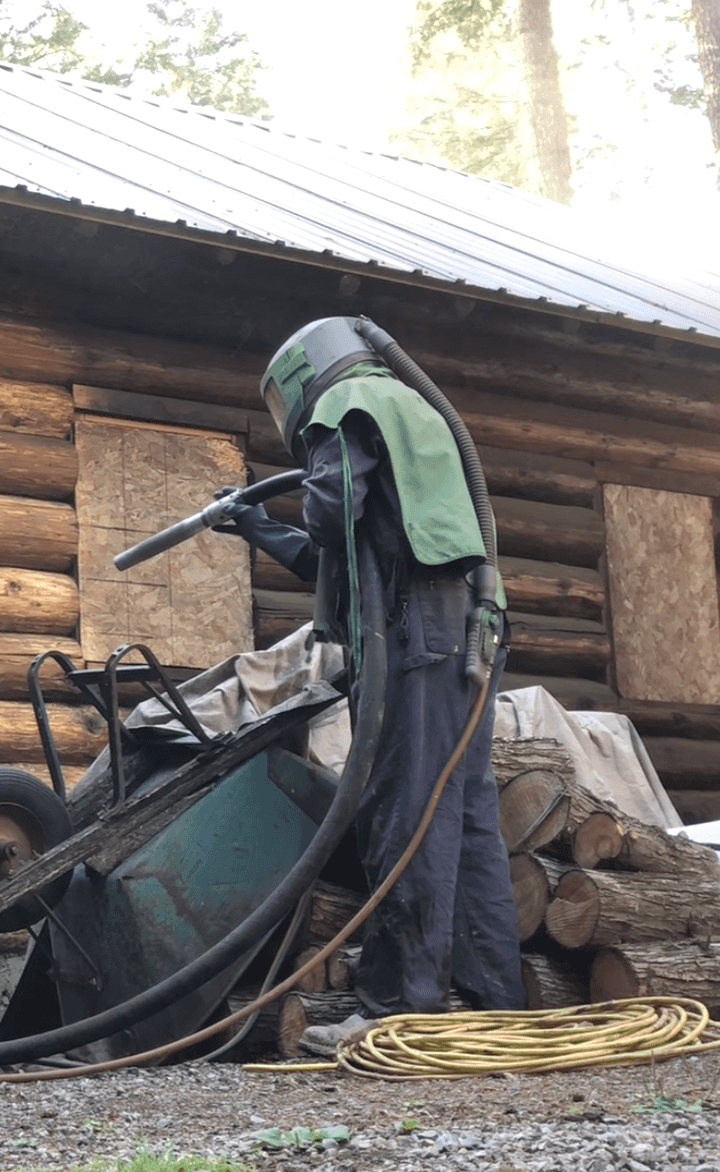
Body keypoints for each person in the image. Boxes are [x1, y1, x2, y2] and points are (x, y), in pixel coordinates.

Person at [216, 317, 525, 1051]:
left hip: (417, 637)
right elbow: (349, 558)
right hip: (469, 632)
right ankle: (496, 1003)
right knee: (467, 818)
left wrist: (307, 483)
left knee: (405, 814)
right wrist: (255, 527)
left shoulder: (342, 406)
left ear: (295, 380)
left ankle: (394, 1008)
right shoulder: (414, 412)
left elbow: (330, 513)